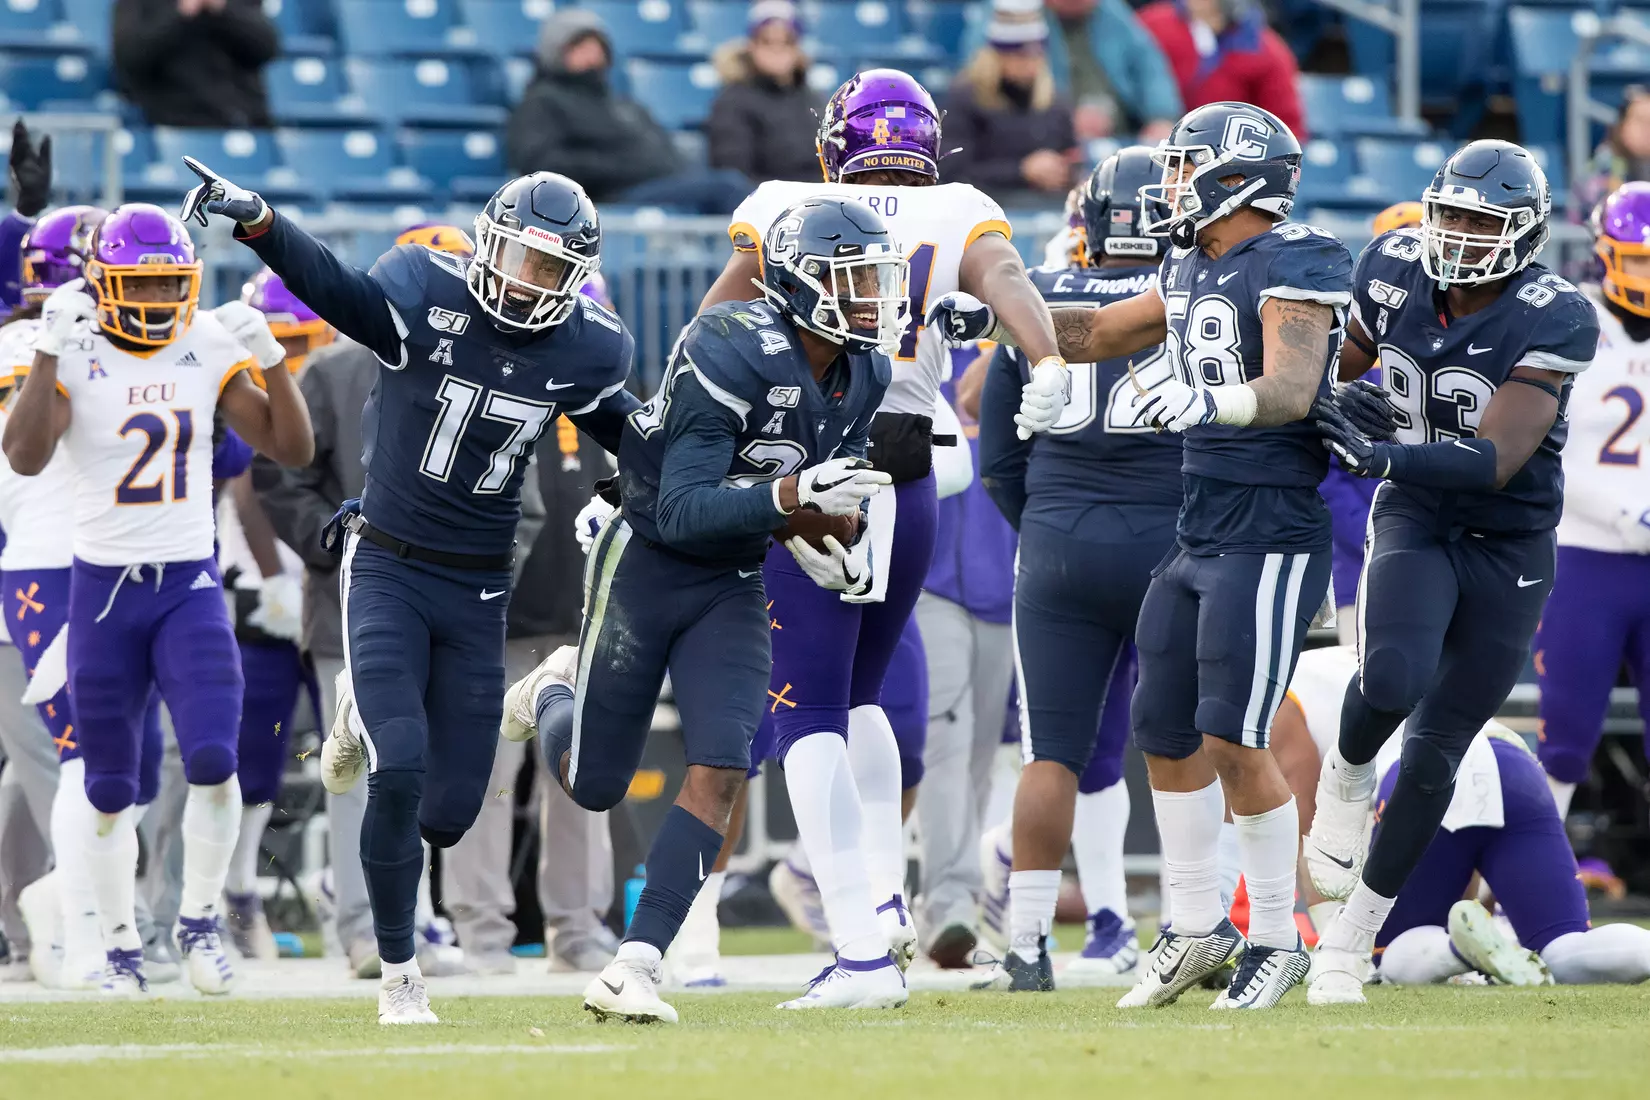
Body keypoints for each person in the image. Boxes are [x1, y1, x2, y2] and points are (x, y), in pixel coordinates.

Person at [184, 164, 637, 1023]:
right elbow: (333, 286)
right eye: (521, 257)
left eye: (552, 268)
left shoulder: (591, 346)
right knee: (398, 771)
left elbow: (638, 436)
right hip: (386, 563)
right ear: (490, 242)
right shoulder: (425, 291)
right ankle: (399, 978)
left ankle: (434, 709)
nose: (528, 280)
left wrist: (738, 476)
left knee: (447, 815)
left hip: (478, 586)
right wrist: (261, 223)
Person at [933, 101, 1351, 1010]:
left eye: (1184, 164)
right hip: (1194, 531)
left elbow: (1289, 385)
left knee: (1235, 737)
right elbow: (1106, 333)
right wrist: (1005, 328)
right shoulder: (1192, 261)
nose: (1168, 182)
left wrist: (1214, 406)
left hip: (1268, 526)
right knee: (1165, 730)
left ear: (1236, 173)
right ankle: (1196, 928)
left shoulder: (1301, 256)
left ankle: (1276, 937)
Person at [697, 67, 1066, 998]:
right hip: (912, 486)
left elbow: (711, 331)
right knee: (858, 699)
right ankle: (885, 908)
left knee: (804, 713)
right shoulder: (958, 211)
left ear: (836, 141)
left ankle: (859, 950)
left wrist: (669, 437)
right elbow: (1011, 281)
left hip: (820, 476)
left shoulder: (789, 204)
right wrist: (1047, 353)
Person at [500, 196, 900, 1021]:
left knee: (724, 765)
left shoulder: (867, 369)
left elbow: (833, 487)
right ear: (800, 282)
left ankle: (637, 964)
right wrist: (792, 495)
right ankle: (552, 692)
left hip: (732, 578)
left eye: (874, 278)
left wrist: (832, 532)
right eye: (853, 279)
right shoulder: (730, 344)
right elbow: (681, 510)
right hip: (645, 559)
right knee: (597, 783)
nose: (871, 296)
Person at [1304, 140, 1601, 1006]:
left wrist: (1385, 451)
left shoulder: (1555, 312)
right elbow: (1347, 362)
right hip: (1419, 515)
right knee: (1390, 675)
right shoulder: (1391, 262)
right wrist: (1334, 386)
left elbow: (1498, 457)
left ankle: (1350, 943)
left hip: (1507, 539)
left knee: (1436, 752)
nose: (1458, 234)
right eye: (1450, 213)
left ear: (1524, 233)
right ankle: (1348, 773)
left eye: (1480, 221)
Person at [1, 202, 313, 996]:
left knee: (215, 760)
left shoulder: (206, 341)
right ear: (101, 283)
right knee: (108, 785)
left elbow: (292, 448)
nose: (154, 300)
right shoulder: (72, 342)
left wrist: (272, 359)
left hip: (187, 584)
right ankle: (115, 946)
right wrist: (47, 353)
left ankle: (201, 922)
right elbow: (27, 456)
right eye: (140, 283)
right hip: (100, 589)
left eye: (170, 282)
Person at [970, 148, 1177, 991]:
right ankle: (1199, 925)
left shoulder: (1041, 309)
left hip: (1057, 541)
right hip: (1169, 539)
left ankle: (1025, 947)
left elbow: (997, 458)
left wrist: (1051, 526)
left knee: (1049, 754)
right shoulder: (1195, 300)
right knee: (1192, 740)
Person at [1282, 645, 1650, 988]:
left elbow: (1306, 824)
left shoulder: (1283, 693)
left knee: (1388, 954)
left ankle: (1455, 952)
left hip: (1422, 771)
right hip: (1513, 764)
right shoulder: (1395, 651)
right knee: (1565, 948)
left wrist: (1337, 937)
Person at [1534, 183, 1650, 825]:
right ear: (1607, 255)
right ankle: (1517, 894)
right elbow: (1539, 450)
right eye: (1640, 260)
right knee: (1566, 742)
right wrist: (1622, 514)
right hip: (1585, 558)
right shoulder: (1572, 326)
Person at [910, 350, 1017, 969]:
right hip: (933, 584)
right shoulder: (917, 348)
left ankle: (963, 903)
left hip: (1003, 582)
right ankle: (947, 905)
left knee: (978, 759)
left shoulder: (1023, 345)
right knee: (943, 746)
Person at [506, 9, 748, 214]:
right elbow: (541, 166)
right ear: (556, 51)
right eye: (579, 47)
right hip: (609, 200)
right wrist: (618, 166)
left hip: (658, 187)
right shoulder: (541, 102)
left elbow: (663, 150)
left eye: (597, 47)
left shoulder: (622, 102)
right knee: (728, 187)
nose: (592, 56)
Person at [978, 0, 1179, 144]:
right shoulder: (1010, 12)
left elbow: (1151, 69)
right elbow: (988, 81)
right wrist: (1066, 121)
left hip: (1123, 135)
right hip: (1047, 141)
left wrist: (1160, 117)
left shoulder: (1111, 11)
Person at [943, 1, 1077, 204]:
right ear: (998, 56)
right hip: (986, 210)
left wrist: (1066, 172)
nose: (1031, 65)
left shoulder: (1054, 103)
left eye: (1037, 55)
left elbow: (1071, 155)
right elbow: (952, 173)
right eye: (1021, 56)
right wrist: (1021, 171)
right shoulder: (965, 99)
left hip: (1047, 208)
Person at [1136, 0, 1304, 140]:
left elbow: (1285, 128)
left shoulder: (1264, 48)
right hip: (1148, 140)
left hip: (1227, 156)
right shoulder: (1153, 24)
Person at [706, 0, 822, 185]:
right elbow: (734, 176)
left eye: (787, 41)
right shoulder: (732, 101)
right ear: (752, 45)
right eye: (767, 41)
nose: (777, 49)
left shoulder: (815, 100)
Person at [112, 0, 278, 128]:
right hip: (173, 121)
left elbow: (267, 48)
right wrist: (182, 13)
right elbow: (129, 57)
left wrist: (223, 9)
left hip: (245, 120)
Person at [1576, 85, 1650, 215]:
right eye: (1640, 121)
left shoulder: (1644, 164)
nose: (1647, 129)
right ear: (1622, 125)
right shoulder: (1604, 166)